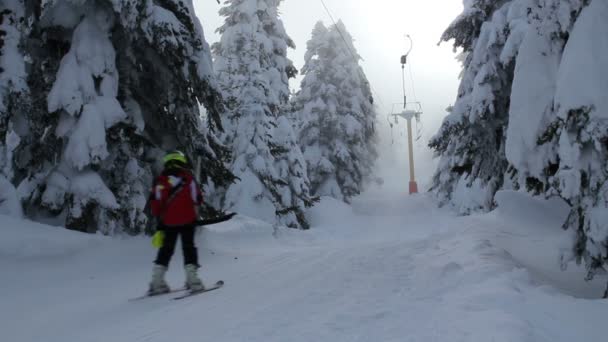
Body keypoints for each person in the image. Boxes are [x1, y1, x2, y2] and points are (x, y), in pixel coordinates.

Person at [148, 151, 205, 295]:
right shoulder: (188, 178)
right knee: (189, 247)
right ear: (182, 162)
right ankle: (193, 280)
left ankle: (157, 281)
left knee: (166, 250)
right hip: (188, 220)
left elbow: (155, 205)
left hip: (168, 222)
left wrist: (160, 219)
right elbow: (197, 198)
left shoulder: (160, 181)